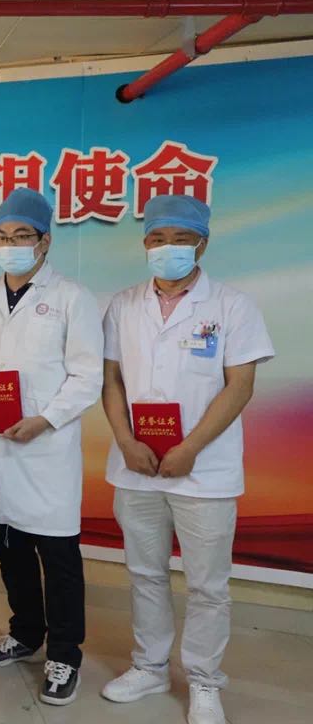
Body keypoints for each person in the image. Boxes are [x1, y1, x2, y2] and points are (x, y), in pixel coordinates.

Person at [99, 195, 274, 724]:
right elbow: (111, 380)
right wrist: (126, 442)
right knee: (145, 573)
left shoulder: (232, 306)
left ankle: (203, 680)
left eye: (179, 239)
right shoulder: (123, 305)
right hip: (137, 466)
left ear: (202, 244)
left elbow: (240, 385)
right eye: (157, 238)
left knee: (207, 584)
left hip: (205, 470)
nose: (167, 248)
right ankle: (150, 667)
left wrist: (190, 447)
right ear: (145, 243)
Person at [0, 189, 103, 705]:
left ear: (45, 241)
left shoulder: (72, 297)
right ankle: (25, 632)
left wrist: (45, 419)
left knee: (58, 557)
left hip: (46, 449)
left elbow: (87, 376)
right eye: (2, 236)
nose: (11, 245)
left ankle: (65, 654)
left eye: (22, 235)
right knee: (9, 548)